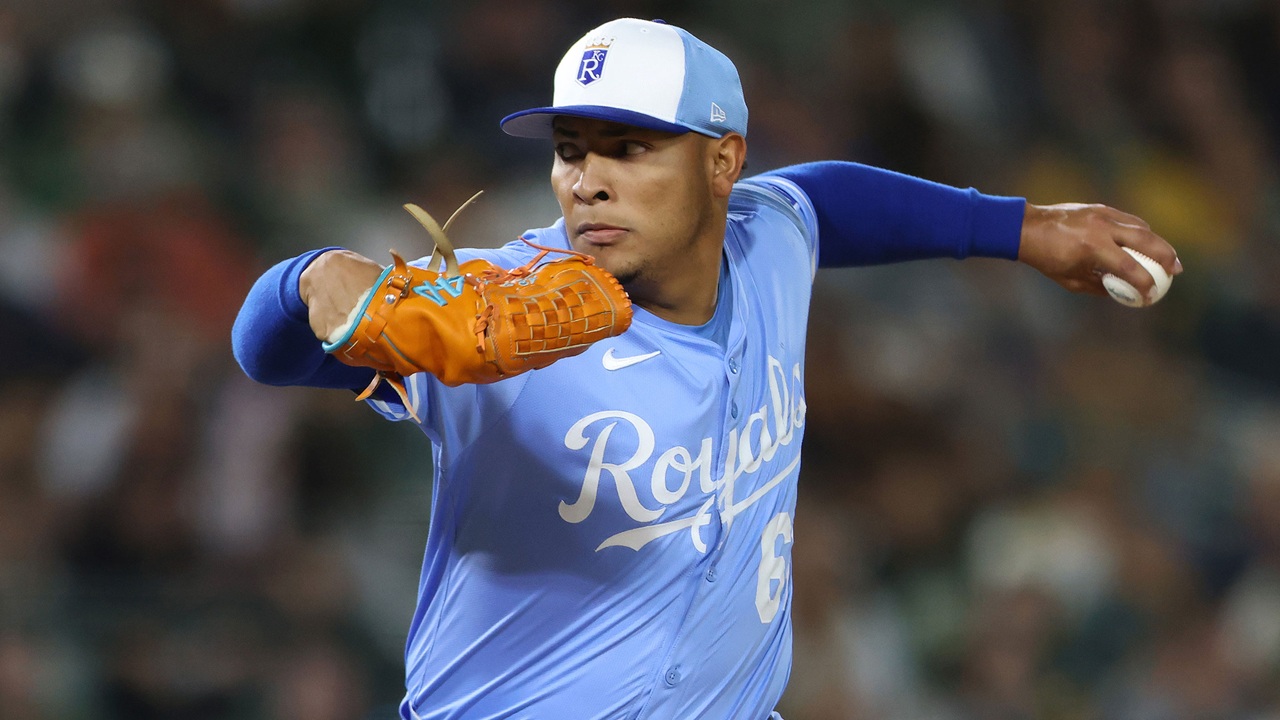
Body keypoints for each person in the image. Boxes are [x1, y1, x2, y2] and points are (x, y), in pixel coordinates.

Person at [232, 17, 1181, 720]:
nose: (587, 181)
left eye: (630, 148)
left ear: (723, 163)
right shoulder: (495, 315)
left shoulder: (768, 240)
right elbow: (265, 352)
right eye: (570, 151)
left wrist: (1022, 227)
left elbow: (823, 200)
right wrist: (310, 282)